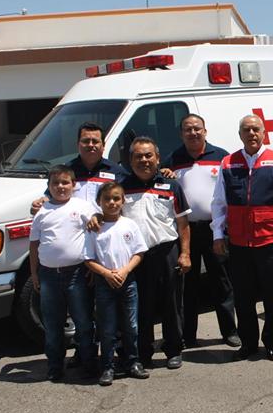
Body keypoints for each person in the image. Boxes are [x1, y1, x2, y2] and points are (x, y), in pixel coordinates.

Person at [212, 115, 273, 362]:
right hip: (238, 242)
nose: (251, 134)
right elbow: (219, 203)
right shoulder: (228, 163)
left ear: (263, 133)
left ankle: (272, 343)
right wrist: (218, 234)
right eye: (246, 130)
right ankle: (248, 344)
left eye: (256, 129)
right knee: (243, 297)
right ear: (240, 134)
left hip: (269, 240)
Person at [165, 114, 240, 349]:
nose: (193, 133)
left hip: (215, 228)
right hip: (186, 231)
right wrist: (165, 174)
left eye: (197, 129)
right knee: (188, 285)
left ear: (205, 131)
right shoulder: (172, 159)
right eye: (188, 129)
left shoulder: (221, 157)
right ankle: (188, 335)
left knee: (222, 281)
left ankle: (229, 331)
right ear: (181, 134)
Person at [118, 137, 192, 370]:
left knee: (171, 302)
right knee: (142, 305)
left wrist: (185, 254)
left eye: (148, 155)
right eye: (138, 156)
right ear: (130, 160)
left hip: (167, 251)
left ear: (158, 158)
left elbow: (183, 224)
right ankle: (143, 351)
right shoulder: (122, 188)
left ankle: (173, 349)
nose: (144, 160)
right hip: (135, 256)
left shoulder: (172, 186)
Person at [29, 165, 98, 382]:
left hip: (77, 273)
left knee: (84, 323)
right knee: (53, 325)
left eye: (65, 182)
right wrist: (34, 274)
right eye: (55, 183)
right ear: (48, 187)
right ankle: (55, 366)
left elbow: (96, 230)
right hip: (49, 275)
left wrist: (93, 266)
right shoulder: (42, 212)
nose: (61, 187)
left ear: (74, 185)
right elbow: (34, 245)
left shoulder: (83, 206)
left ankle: (89, 364)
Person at [84, 182, 150, 385]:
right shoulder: (94, 229)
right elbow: (88, 258)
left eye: (116, 198)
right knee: (107, 327)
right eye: (107, 199)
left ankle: (132, 362)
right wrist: (106, 274)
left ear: (123, 201)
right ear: (99, 202)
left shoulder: (129, 225)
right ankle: (107, 366)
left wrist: (124, 271)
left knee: (131, 324)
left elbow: (139, 252)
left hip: (127, 280)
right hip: (105, 283)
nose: (112, 202)